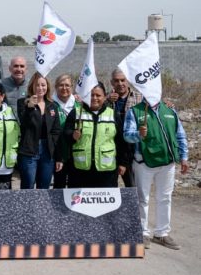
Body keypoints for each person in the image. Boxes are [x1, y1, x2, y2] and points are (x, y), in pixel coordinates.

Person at [124, 98, 189, 250]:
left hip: (167, 163)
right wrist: (138, 134)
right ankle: (143, 233)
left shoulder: (170, 111)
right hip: (143, 162)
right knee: (142, 198)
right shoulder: (134, 111)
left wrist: (184, 157)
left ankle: (162, 233)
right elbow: (127, 135)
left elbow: (180, 134)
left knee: (165, 198)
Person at [64, 83, 123, 189]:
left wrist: (123, 163)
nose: (94, 98)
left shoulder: (113, 114)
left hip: (106, 172)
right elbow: (64, 137)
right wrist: (72, 136)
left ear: (105, 97)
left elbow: (121, 141)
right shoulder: (76, 113)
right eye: (91, 95)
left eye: (98, 95)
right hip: (79, 171)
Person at [16, 72, 63, 189]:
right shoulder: (23, 102)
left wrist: (59, 157)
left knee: (44, 187)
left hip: (47, 152)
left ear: (47, 86)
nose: (40, 88)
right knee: (28, 187)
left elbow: (56, 133)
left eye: (43, 85)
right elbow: (24, 124)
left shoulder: (52, 105)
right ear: (32, 86)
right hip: (29, 151)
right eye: (37, 85)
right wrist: (30, 107)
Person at [108, 70, 142, 188]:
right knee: (109, 185)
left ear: (127, 81)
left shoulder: (139, 97)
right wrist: (107, 100)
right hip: (111, 147)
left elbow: (154, 105)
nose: (120, 83)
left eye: (123, 80)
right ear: (112, 82)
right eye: (116, 81)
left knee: (132, 185)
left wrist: (167, 104)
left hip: (132, 147)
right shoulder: (105, 98)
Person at [52, 74, 77, 189]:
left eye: (67, 85)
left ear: (72, 87)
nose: (64, 88)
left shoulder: (79, 105)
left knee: (74, 184)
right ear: (56, 87)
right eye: (61, 85)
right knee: (59, 184)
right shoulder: (50, 104)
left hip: (75, 151)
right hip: (57, 151)